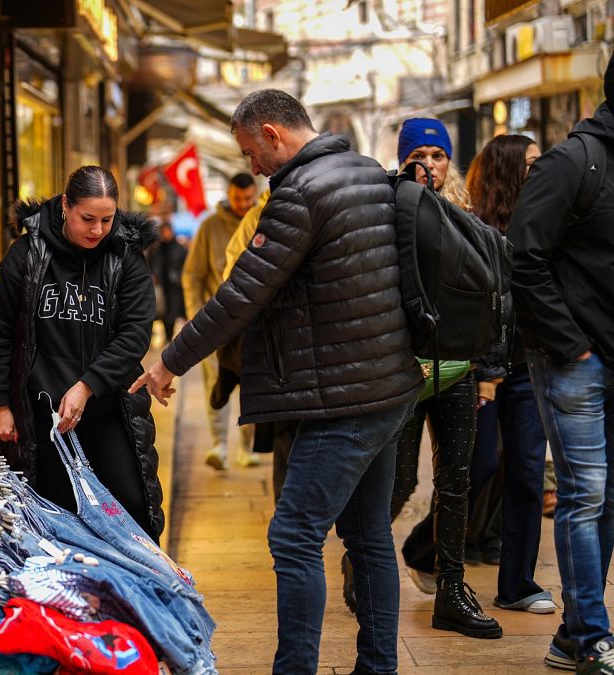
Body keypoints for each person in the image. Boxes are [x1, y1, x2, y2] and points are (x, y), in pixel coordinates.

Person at [132, 89, 422, 675]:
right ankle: (378, 667)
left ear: (272, 133)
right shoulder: (366, 173)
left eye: (249, 151)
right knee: (367, 539)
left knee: (294, 535)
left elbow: (241, 293)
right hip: (388, 384)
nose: (252, 166)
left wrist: (170, 361)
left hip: (342, 397)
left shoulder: (300, 194)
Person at [0, 165, 165, 540]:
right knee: (52, 515)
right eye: (88, 219)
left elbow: (134, 335)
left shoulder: (126, 257)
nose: (98, 230)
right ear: (66, 205)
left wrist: (87, 386)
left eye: (107, 219)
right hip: (40, 415)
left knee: (130, 508)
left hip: (111, 408)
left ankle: (133, 594)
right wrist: (0, 403)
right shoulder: (27, 255)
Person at [508, 54, 614, 674]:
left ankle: (575, 634)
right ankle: (593, 635)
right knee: (585, 493)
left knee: (608, 497)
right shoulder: (573, 161)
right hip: (577, 362)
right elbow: (524, 259)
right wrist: (571, 343)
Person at [383, 117, 502, 639]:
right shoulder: (391, 207)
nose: (430, 164)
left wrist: (486, 373)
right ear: (405, 160)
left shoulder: (466, 214)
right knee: (402, 480)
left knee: (457, 481)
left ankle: (452, 589)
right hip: (406, 371)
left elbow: (491, 294)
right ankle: (362, 562)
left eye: (438, 155)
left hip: (455, 368)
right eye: (419, 156)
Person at [463, 134, 557, 616]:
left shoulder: (544, 219)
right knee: (474, 469)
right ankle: (435, 557)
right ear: (507, 170)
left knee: (524, 473)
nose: (541, 170)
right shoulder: (476, 228)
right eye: (533, 163)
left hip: (527, 368)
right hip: (479, 371)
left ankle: (516, 584)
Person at [182, 172, 258, 470]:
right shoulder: (209, 227)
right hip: (216, 322)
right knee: (216, 384)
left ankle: (246, 448)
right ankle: (219, 446)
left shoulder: (261, 220)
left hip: (250, 323)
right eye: (238, 199)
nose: (243, 204)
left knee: (251, 387)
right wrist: (194, 314)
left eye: (248, 199)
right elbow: (193, 274)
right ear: (228, 194)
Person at [149, 221, 187, 341]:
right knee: (161, 312)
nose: (166, 234)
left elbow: (186, 266)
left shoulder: (180, 248)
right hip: (160, 285)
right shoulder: (156, 248)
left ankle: (169, 337)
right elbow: (150, 263)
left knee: (172, 313)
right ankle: (167, 337)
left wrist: (177, 275)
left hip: (174, 287)